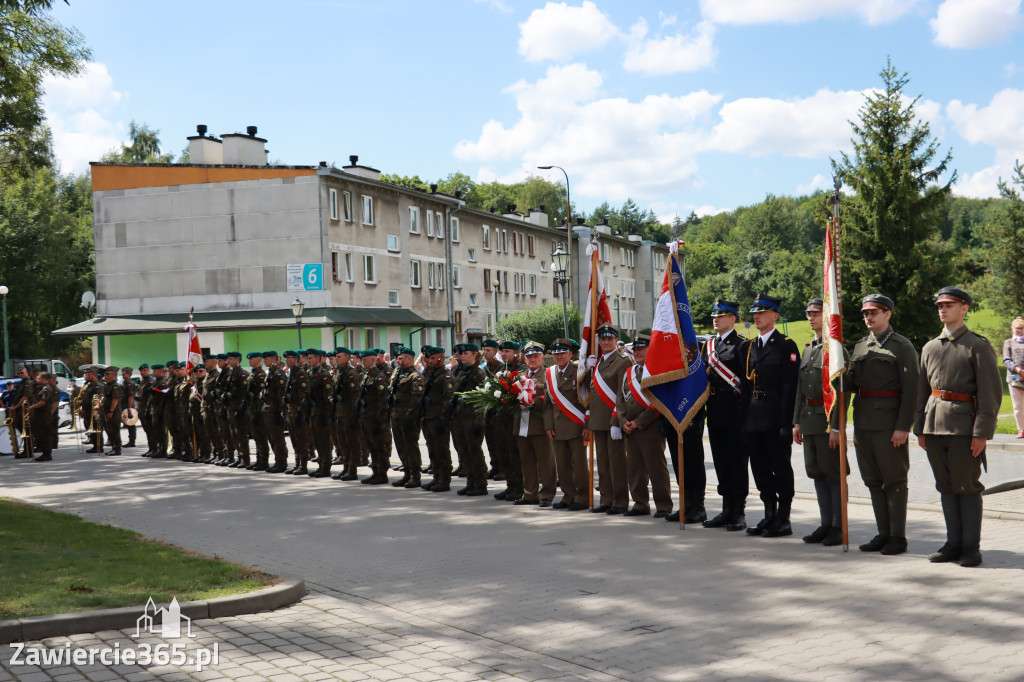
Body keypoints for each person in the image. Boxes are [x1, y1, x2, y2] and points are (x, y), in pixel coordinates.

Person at [915, 286, 1002, 568]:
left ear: (964, 308)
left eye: (949, 305)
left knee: (967, 487)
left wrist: (981, 433)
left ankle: (970, 547)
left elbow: (990, 394)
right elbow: (922, 390)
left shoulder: (977, 345)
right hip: (934, 425)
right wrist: (920, 428)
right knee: (946, 487)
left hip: (965, 427)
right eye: (940, 305)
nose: (943, 309)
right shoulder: (930, 347)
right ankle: (952, 543)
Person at [846, 294, 919, 555]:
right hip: (863, 423)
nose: (869, 317)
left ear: (888, 314)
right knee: (873, 481)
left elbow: (912, 391)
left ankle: (898, 537)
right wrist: (835, 375)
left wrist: (903, 426)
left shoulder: (902, 346)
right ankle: (883, 533)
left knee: (894, 481)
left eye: (874, 312)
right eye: (866, 313)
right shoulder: (860, 346)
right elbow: (852, 384)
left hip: (889, 425)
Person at [741, 294, 800, 537]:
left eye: (762, 312)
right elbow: (746, 385)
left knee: (780, 467)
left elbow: (790, 387)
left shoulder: (786, 345)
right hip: (754, 416)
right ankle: (768, 515)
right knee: (760, 468)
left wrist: (787, 423)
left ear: (774, 315)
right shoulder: (751, 346)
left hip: (775, 415)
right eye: (754, 312)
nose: (756, 316)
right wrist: (743, 419)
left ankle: (783, 518)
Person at [793, 298, 847, 546]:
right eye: (809, 313)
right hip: (809, 420)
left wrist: (836, 427)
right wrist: (796, 422)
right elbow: (800, 391)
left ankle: (838, 525)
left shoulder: (835, 350)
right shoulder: (808, 349)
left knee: (833, 474)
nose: (811, 317)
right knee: (816, 473)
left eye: (816, 312)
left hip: (827, 423)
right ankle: (826, 523)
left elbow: (841, 393)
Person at [701, 299, 748, 531]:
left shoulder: (742, 345)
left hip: (735, 412)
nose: (715, 319)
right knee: (721, 462)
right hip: (716, 411)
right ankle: (725, 509)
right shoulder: (708, 346)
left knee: (737, 462)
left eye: (721, 315)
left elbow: (747, 382)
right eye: (714, 315)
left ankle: (738, 511)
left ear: (732, 318)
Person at [616, 334, 673, 519]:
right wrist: (622, 421)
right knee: (634, 470)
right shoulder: (629, 372)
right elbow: (620, 399)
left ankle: (663, 505)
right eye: (636, 349)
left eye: (642, 348)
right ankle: (640, 504)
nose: (638, 352)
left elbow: (658, 402)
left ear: (651, 349)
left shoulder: (656, 371)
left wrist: (638, 423)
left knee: (656, 468)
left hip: (650, 428)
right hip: (629, 429)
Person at [582, 324, 632, 515]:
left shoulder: (623, 361)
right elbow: (592, 392)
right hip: (598, 420)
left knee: (616, 463)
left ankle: (619, 502)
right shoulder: (599, 361)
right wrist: (588, 369)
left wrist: (616, 421)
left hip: (613, 421)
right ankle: (606, 499)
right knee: (602, 463)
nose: (606, 342)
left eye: (610, 339)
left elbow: (622, 393)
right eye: (603, 339)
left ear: (616, 340)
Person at [544, 338, 589, 511]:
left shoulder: (579, 371)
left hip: (576, 425)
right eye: (555, 353)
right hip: (557, 427)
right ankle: (568, 495)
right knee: (562, 465)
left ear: (570, 354)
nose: (559, 356)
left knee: (578, 465)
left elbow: (587, 399)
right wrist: (548, 425)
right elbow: (547, 404)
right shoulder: (550, 373)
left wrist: (587, 423)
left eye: (562, 353)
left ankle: (583, 497)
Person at [513, 341, 556, 507]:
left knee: (546, 462)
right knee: (527, 461)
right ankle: (530, 493)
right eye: (529, 356)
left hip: (540, 425)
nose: (532, 359)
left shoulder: (548, 375)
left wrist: (532, 401)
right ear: (524, 358)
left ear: (542, 357)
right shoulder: (520, 375)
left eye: (536, 356)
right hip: (522, 424)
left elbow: (550, 399)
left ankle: (547, 494)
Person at [450, 343, 488, 496]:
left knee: (474, 452)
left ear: (474, 355)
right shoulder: (460, 372)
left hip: (472, 419)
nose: (462, 355)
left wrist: (479, 422)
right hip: (459, 418)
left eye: (466, 353)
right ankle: (470, 482)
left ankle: (480, 484)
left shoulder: (479, 374)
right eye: (461, 353)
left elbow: (482, 399)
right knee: (463, 452)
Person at [389, 346, 425, 488]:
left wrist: (412, 417)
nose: (397, 361)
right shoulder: (397, 373)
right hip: (396, 415)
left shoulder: (414, 376)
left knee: (410, 447)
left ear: (409, 359)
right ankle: (406, 473)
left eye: (400, 358)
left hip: (408, 417)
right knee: (400, 446)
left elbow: (416, 400)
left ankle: (415, 476)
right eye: (396, 358)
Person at [420, 346, 454, 492]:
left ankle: (444, 480)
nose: (430, 361)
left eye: (433, 358)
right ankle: (436, 477)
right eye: (429, 358)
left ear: (441, 358)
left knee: (441, 451)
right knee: (432, 450)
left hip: (438, 418)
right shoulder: (430, 374)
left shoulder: (446, 376)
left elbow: (448, 399)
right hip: (428, 417)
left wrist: (443, 419)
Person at [359, 349, 392, 484]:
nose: (362, 362)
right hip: (367, 416)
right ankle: (375, 471)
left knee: (379, 446)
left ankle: (382, 474)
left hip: (376, 418)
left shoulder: (379, 376)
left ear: (373, 360)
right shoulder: (367, 375)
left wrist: (380, 418)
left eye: (365, 360)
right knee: (371, 446)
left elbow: (383, 399)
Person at [330, 347, 363, 481]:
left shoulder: (352, 373)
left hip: (349, 413)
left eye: (339, 357)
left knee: (351, 443)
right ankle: (346, 468)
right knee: (342, 442)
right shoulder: (339, 372)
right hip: (340, 412)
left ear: (347, 357)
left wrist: (354, 415)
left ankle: (352, 470)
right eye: (336, 357)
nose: (337, 359)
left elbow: (355, 395)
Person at [260, 350, 290, 474]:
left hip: (275, 411)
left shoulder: (278, 373)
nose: (264, 361)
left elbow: (281, 394)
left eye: (266, 359)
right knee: (272, 438)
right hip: (268, 410)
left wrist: (281, 412)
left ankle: (281, 462)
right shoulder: (270, 373)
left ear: (274, 358)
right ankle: (278, 461)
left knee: (277, 438)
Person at [284, 350, 312, 475]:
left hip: (298, 411)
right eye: (286, 359)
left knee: (301, 439)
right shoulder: (292, 373)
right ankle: (297, 463)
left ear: (295, 359)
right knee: (294, 439)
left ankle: (303, 465)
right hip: (291, 410)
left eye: (290, 358)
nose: (287, 361)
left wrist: (301, 411)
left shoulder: (301, 373)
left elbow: (303, 394)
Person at [26, 372, 56, 461]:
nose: (37, 379)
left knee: (45, 435)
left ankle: (47, 454)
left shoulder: (46, 389)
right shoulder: (41, 388)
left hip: (44, 415)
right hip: (40, 415)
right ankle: (44, 453)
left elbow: (43, 402)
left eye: (38, 378)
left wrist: (31, 407)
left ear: (43, 379)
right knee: (40, 434)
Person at [1002, 317, 1024, 439]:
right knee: (1017, 406)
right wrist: (1018, 370)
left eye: (1021, 329)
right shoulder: (1008, 342)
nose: (1019, 331)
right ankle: (1021, 429)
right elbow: (1006, 359)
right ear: (1012, 329)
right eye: (1017, 328)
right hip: (1014, 376)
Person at [99, 366, 123, 456]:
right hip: (106, 411)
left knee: (114, 430)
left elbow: (115, 399)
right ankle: (113, 447)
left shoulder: (116, 386)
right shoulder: (107, 385)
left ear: (114, 375)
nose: (105, 376)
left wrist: (111, 411)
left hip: (114, 412)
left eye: (107, 374)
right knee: (109, 430)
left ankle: (117, 449)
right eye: (105, 374)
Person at [120, 367, 138, 448]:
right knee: (127, 424)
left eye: (124, 374)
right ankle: (131, 440)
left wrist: (129, 409)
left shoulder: (130, 383)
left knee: (130, 424)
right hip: (124, 405)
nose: (123, 375)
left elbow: (130, 397)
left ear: (128, 374)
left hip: (128, 406)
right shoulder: (125, 383)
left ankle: (132, 441)